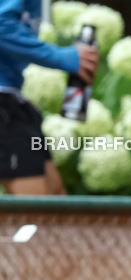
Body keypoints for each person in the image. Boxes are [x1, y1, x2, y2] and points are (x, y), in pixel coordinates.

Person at [0, 0, 98, 195]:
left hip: (13, 99)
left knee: (55, 196)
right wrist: (61, 57)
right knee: (36, 209)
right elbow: (1, 24)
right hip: (3, 103)